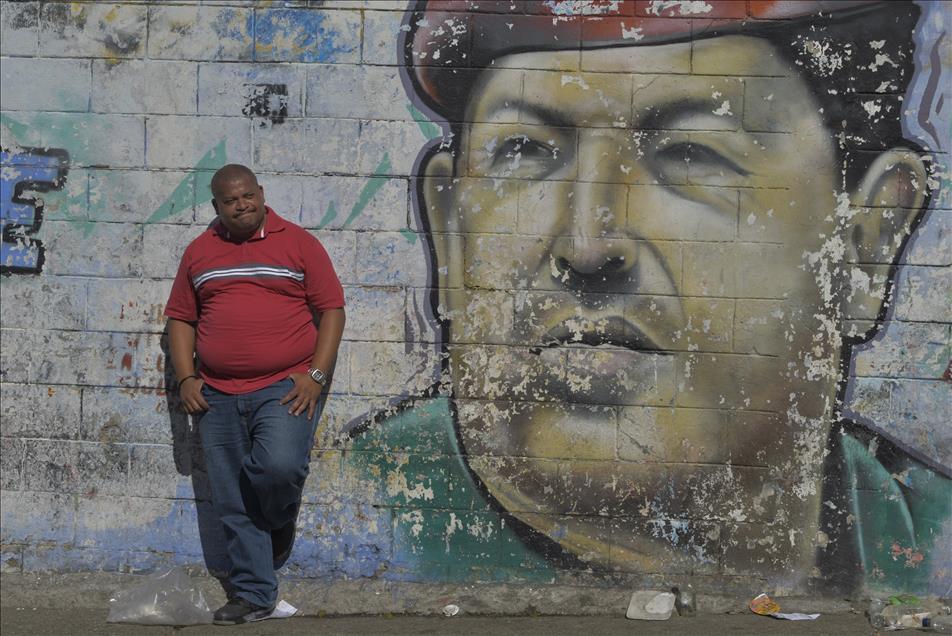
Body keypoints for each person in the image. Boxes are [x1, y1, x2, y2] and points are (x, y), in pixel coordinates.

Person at [345, 0, 949, 593]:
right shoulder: (351, 507)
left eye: (690, 154)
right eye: (524, 151)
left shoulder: (934, 540)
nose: (587, 245)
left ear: (866, 243)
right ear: (450, 233)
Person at [165, 164, 345, 624]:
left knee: (279, 467)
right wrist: (186, 378)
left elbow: (331, 311)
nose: (241, 205)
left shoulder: (299, 242)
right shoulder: (200, 252)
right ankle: (255, 595)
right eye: (231, 200)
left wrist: (316, 376)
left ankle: (278, 519)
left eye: (248, 196)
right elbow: (181, 320)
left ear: (261, 194)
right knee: (231, 494)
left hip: (286, 385)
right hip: (217, 393)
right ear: (216, 206)